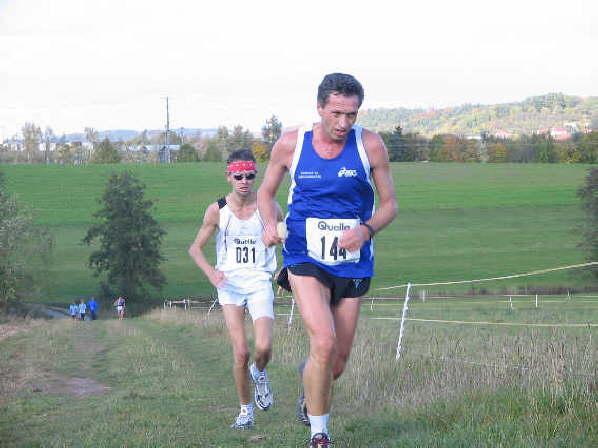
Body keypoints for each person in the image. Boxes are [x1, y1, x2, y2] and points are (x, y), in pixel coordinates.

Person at [257, 73, 398, 447]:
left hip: (353, 261)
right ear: (319, 107)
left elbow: (390, 205)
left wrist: (366, 230)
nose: (343, 123)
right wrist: (270, 223)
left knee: (336, 361)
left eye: (351, 114)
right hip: (304, 255)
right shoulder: (292, 144)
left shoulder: (370, 145)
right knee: (323, 341)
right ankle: (320, 434)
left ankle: (311, 387)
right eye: (336, 113)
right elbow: (266, 193)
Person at [188, 149, 282, 430]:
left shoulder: (269, 207)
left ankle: (260, 373)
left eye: (249, 175)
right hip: (229, 284)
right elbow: (195, 249)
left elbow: (285, 238)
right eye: (238, 176)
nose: (244, 181)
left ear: (255, 176)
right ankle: (245, 411)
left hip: (259, 281)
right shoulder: (217, 210)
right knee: (240, 352)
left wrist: (285, 263)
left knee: (263, 347)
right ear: (228, 176)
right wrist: (211, 272)